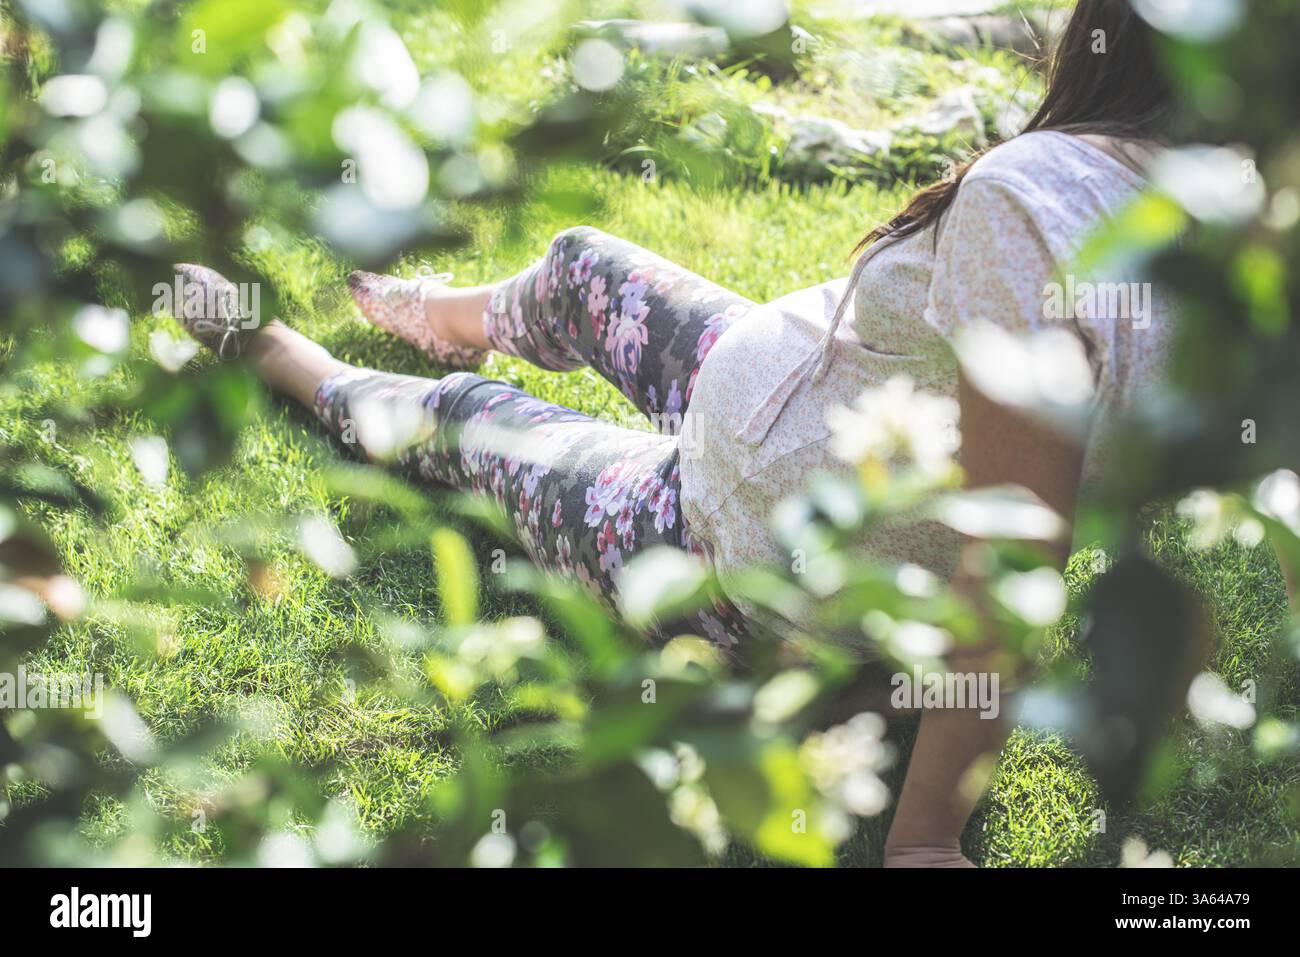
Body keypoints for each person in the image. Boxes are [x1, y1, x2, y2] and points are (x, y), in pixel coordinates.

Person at [171, 0, 1175, 866]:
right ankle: (444, 320)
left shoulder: (1030, 204)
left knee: (473, 424)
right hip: (777, 390)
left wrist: (920, 841)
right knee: (579, 264)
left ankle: (289, 361)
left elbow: (1009, 555)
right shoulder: (1213, 212)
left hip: (726, 543)